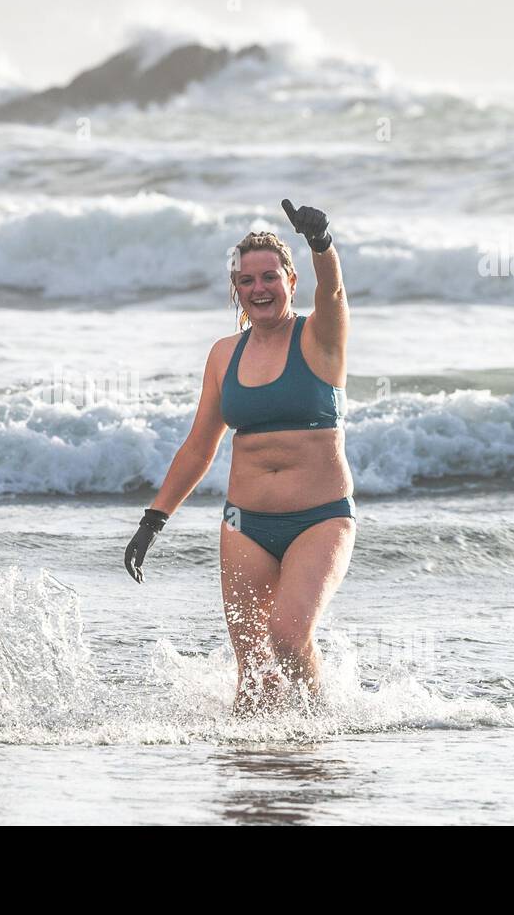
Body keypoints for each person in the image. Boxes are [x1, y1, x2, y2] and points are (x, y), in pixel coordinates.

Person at [124, 201, 356, 713]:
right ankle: (254, 768)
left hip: (320, 519)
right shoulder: (224, 354)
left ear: (290, 280)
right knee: (252, 668)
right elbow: (198, 447)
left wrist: (322, 244)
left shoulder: (319, 337)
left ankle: (318, 735)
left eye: (269, 277)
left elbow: (334, 292)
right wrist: (152, 523)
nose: (259, 289)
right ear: (236, 289)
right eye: (247, 281)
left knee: (289, 636)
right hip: (244, 524)